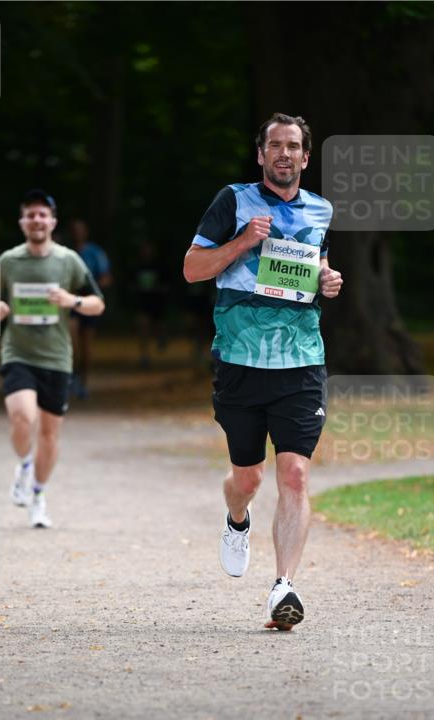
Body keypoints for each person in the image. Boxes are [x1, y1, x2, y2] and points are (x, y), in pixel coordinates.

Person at [183, 113, 342, 630]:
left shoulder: (321, 209)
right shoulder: (233, 201)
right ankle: (236, 520)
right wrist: (242, 242)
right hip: (240, 361)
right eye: (274, 145)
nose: (283, 154)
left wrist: (328, 279)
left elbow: (313, 267)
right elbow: (192, 268)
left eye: (292, 146)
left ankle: (283, 587)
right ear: (261, 155)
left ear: (305, 157)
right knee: (247, 477)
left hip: (301, 361)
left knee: (294, 473)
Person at [0, 190, 105, 527]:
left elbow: (97, 303)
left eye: (42, 215)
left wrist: (71, 300)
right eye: (30, 215)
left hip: (57, 358)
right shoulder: (10, 260)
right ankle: (25, 465)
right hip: (18, 353)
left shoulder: (68, 261)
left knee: (49, 435)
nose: (36, 220)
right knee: (22, 417)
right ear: (22, 222)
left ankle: (38, 496)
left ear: (52, 221)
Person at [68, 218, 112, 399]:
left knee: (86, 347)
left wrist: (91, 287)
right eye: (74, 230)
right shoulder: (65, 252)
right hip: (70, 303)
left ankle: (83, 381)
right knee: (71, 344)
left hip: (89, 303)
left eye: (80, 229)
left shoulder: (95, 253)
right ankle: (71, 378)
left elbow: (107, 277)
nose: (77, 233)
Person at [132, 240, 169, 368]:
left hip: (156, 303)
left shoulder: (158, 266)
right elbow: (132, 284)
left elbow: (166, 285)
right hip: (143, 302)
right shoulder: (137, 266)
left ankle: (161, 338)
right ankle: (145, 355)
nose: (146, 252)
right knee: (143, 328)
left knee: (158, 327)